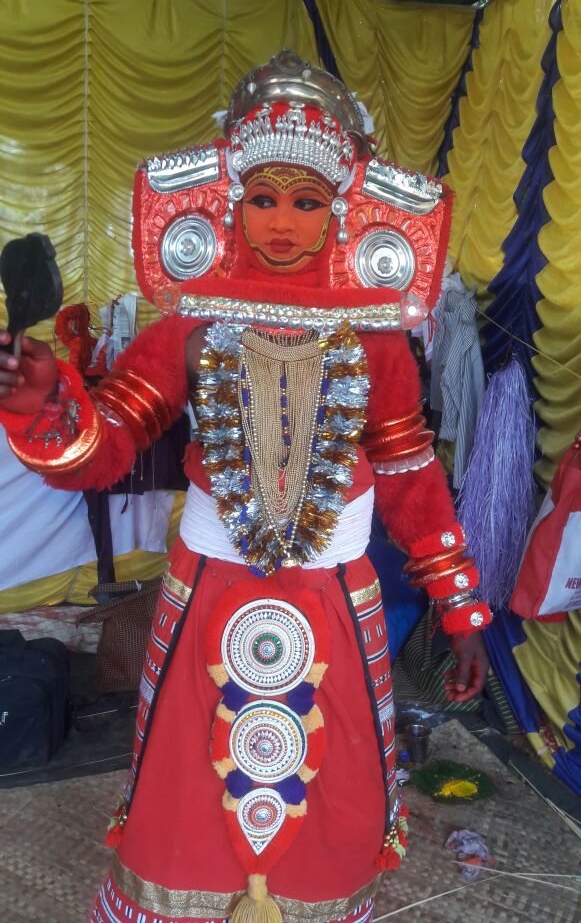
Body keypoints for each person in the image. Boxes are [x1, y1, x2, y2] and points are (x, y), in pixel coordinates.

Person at [0, 51, 490, 923]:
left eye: (307, 202)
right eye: (263, 199)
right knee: (193, 768)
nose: (283, 224)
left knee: (328, 771)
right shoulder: (189, 326)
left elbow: (413, 476)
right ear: (232, 203)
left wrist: (460, 613)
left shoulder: (375, 339)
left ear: (340, 210)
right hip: (210, 594)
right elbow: (103, 455)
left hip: (336, 594)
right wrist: (45, 398)